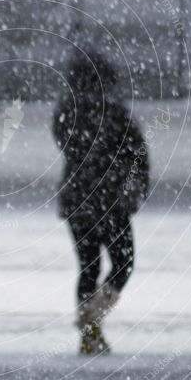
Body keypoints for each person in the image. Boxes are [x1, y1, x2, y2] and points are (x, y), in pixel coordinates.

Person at [51, 51, 149, 355]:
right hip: (109, 200)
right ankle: (93, 321)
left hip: (77, 199)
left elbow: (65, 143)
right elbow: (138, 155)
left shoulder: (66, 112)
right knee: (123, 262)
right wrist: (133, 189)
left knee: (88, 266)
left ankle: (88, 330)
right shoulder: (116, 112)